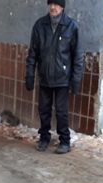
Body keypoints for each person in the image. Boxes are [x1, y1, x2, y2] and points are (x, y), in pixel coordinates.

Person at [25, 0, 83, 154]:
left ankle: (65, 141)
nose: (53, 7)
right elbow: (33, 53)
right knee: (43, 110)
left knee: (61, 112)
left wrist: (76, 79)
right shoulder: (40, 25)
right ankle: (44, 138)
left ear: (62, 6)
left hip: (62, 78)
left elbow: (77, 56)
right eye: (51, 3)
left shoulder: (71, 26)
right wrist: (30, 74)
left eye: (56, 4)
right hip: (45, 77)